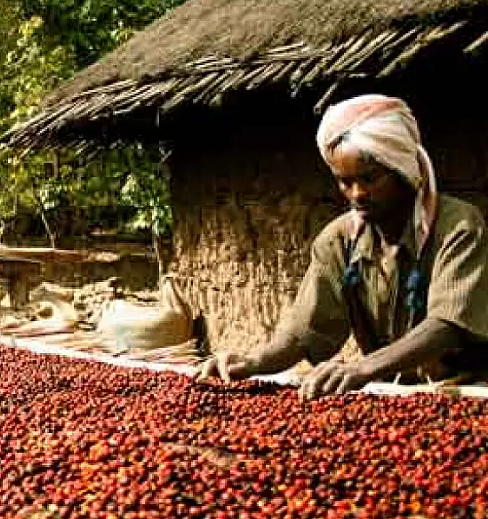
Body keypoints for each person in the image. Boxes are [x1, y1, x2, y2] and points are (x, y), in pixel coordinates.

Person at [199, 94, 488, 399]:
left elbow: (447, 325)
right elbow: (303, 331)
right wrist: (253, 362)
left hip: (469, 389)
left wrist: (363, 368)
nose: (357, 194)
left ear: (402, 170)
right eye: (344, 182)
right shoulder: (338, 241)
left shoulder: (459, 226)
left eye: (370, 178)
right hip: (390, 393)